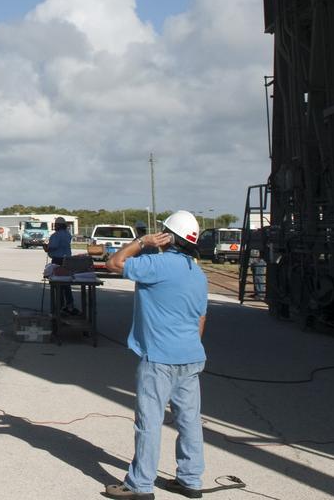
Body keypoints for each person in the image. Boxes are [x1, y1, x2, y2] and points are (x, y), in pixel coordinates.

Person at [102, 210, 208, 500]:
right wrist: (185, 347)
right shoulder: (197, 273)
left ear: (167, 236)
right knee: (189, 420)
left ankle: (140, 485)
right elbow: (201, 319)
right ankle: (190, 480)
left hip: (160, 359)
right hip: (191, 357)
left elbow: (114, 262)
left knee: (149, 421)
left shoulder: (157, 264)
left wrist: (141, 241)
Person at [47, 217, 79, 316]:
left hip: (58, 260)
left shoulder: (55, 235)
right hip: (67, 261)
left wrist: (47, 248)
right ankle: (69, 305)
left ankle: (59, 306)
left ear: (58, 225)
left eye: (56, 225)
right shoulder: (68, 234)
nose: (55, 227)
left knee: (58, 284)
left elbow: (53, 246)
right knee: (66, 284)